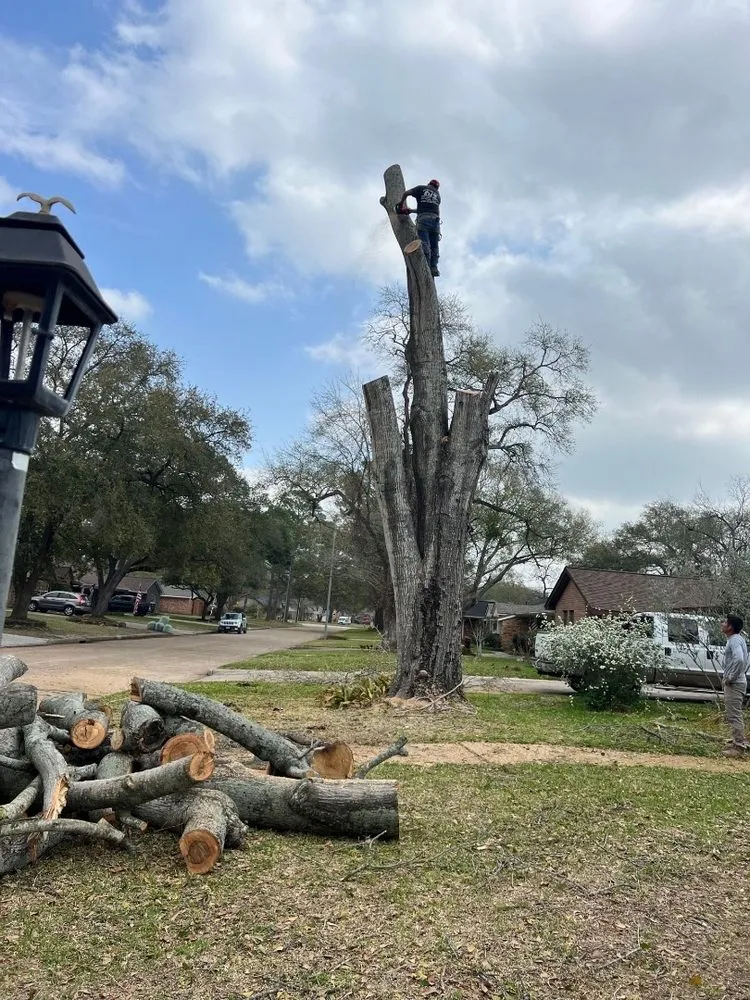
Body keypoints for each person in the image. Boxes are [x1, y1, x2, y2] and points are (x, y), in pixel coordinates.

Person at [398, 179, 441, 277]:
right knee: (434, 246)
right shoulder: (437, 195)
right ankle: (433, 267)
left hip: (423, 219)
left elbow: (406, 193)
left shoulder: (421, 188)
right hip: (435, 221)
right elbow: (428, 208)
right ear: (436, 188)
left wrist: (401, 204)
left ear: (429, 184)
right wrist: (411, 211)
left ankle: (425, 265)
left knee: (425, 243)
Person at [721, 613, 748, 756]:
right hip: (737, 681)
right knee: (734, 714)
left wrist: (730, 677)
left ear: (730, 627)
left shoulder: (735, 641)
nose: (722, 623)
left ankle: (738, 747)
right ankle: (737, 741)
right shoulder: (736, 639)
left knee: (734, 715)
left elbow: (739, 660)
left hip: (735, 683)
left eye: (725, 622)